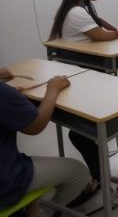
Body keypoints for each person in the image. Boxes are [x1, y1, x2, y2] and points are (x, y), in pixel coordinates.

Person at [48, 0, 118, 208]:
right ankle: (101, 181)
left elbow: (101, 24)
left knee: (82, 134)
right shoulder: (77, 12)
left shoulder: (83, 8)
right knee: (82, 133)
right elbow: (101, 36)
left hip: (83, 73)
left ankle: (96, 177)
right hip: (81, 77)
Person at [1, 72, 90, 214]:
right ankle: (47, 212)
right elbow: (36, 126)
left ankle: (33, 206)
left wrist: (10, 95)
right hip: (6, 181)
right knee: (79, 172)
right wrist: (53, 88)